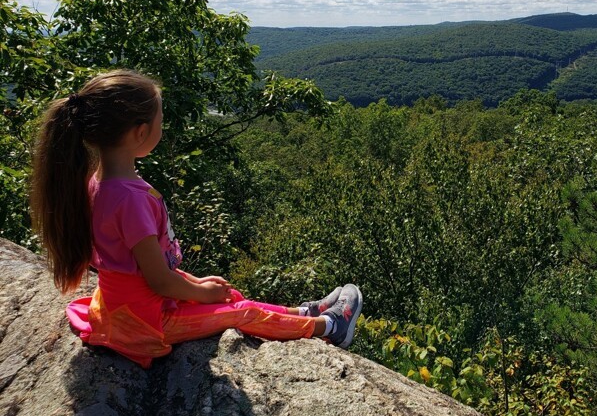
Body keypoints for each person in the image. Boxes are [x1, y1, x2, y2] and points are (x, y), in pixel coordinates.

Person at [30, 69, 362, 368]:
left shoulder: (98, 184)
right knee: (242, 313)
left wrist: (199, 286)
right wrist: (201, 294)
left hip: (129, 304)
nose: (163, 127)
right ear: (140, 132)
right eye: (161, 121)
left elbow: (144, 270)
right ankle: (331, 327)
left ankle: (302, 312)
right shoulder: (130, 200)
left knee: (227, 295)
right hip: (144, 322)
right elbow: (159, 280)